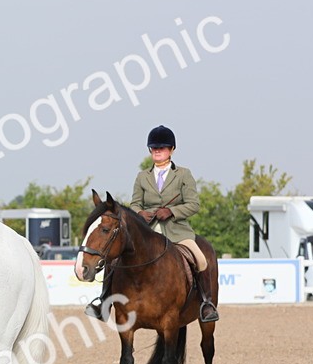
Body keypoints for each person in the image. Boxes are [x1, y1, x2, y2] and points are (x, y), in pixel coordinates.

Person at [85, 125, 219, 323]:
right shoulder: (142, 176)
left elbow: (193, 204)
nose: (157, 151)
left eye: (162, 147)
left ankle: (206, 303)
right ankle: (103, 301)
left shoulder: (184, 174)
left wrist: (171, 211)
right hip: (147, 232)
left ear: (172, 150)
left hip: (177, 231)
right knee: (114, 259)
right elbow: (135, 203)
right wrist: (140, 213)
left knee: (201, 259)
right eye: (154, 148)